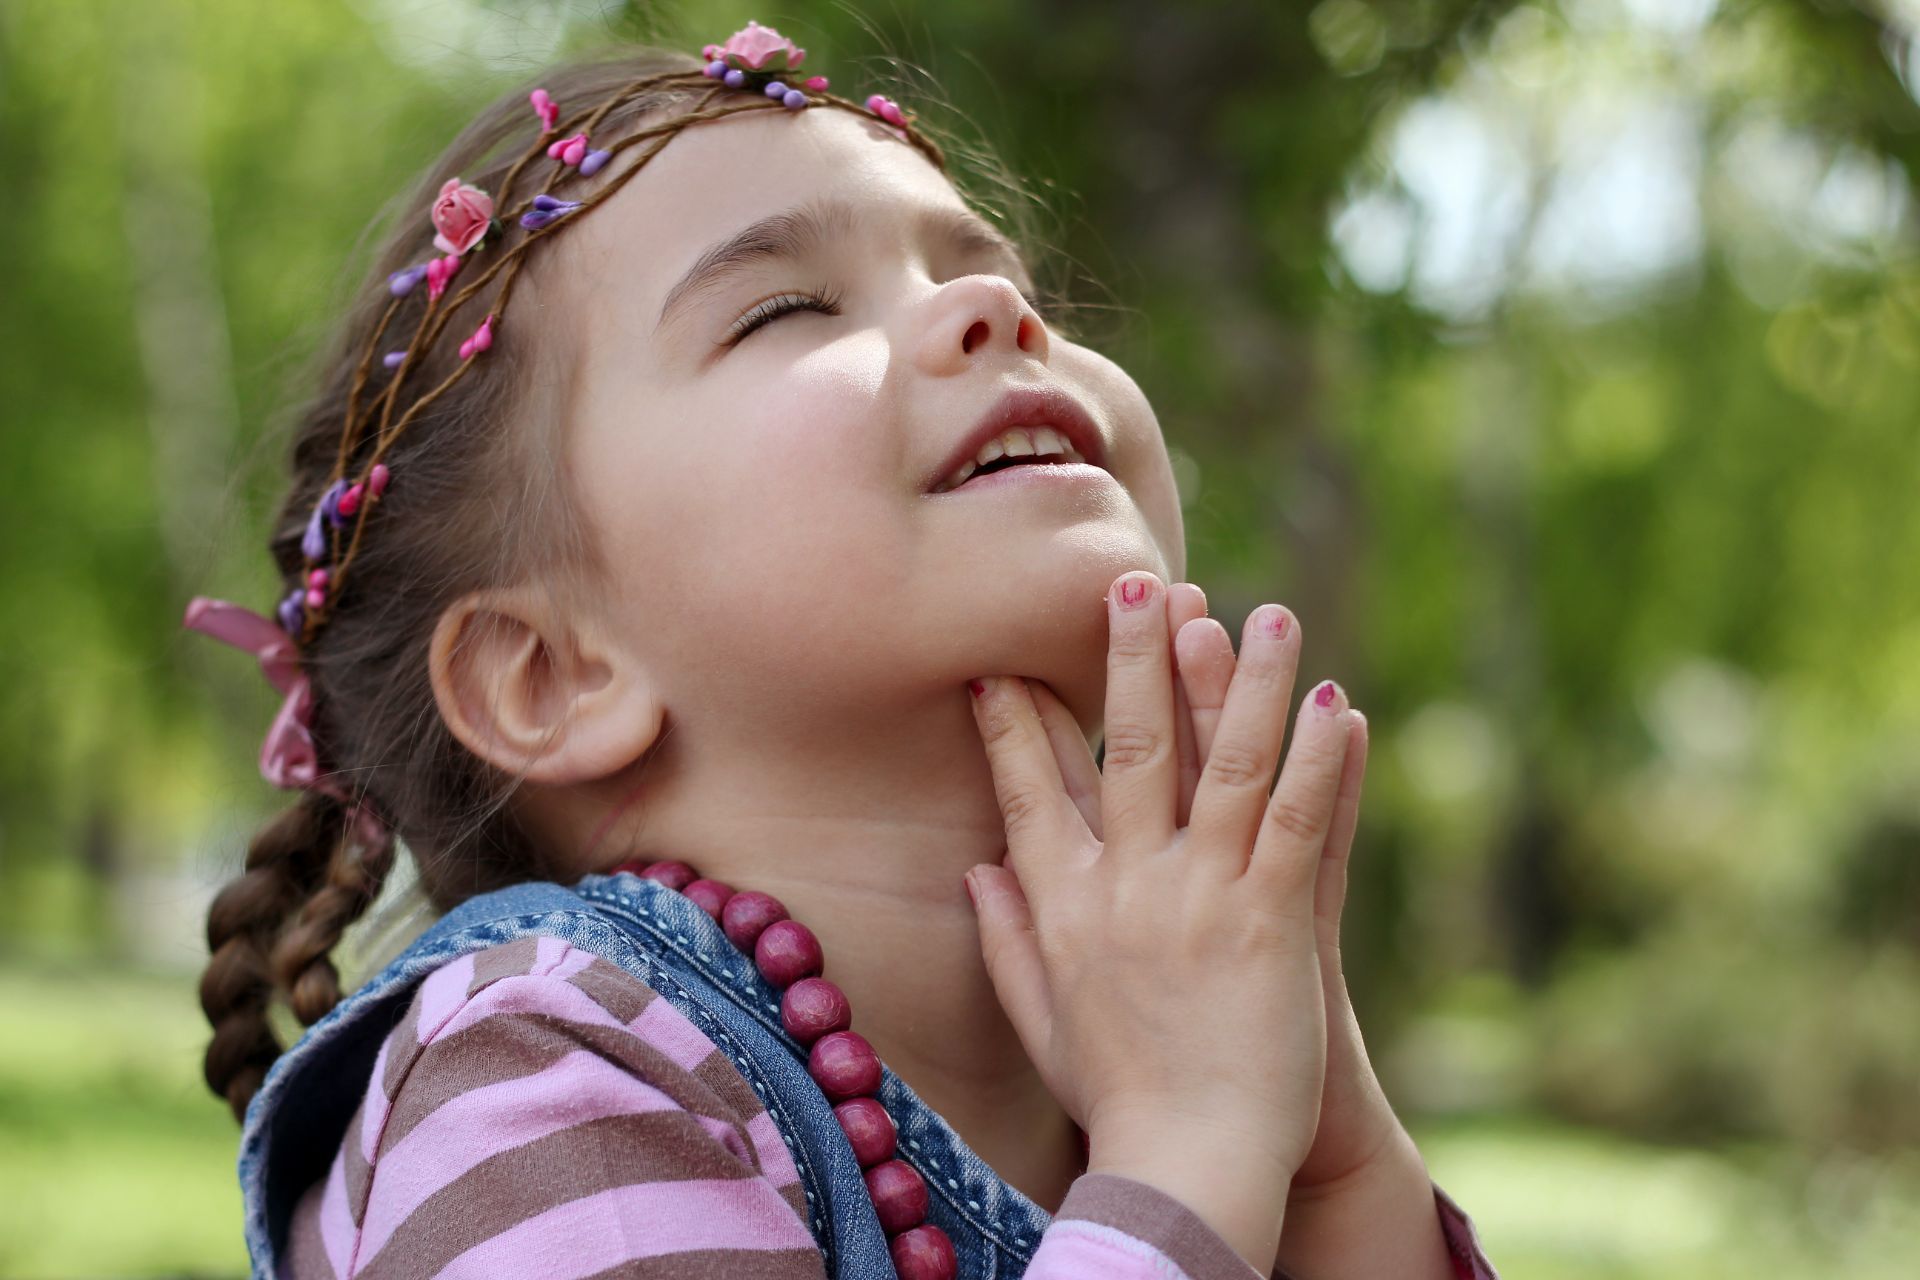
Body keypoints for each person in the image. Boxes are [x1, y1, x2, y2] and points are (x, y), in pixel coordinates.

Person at [183, 22, 1498, 1280]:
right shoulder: (541, 1079)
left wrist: (1336, 1174)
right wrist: (1191, 1153)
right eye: (790, 308)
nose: (995, 306)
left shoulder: (1165, 1070)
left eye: (1005, 277)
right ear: (551, 674)